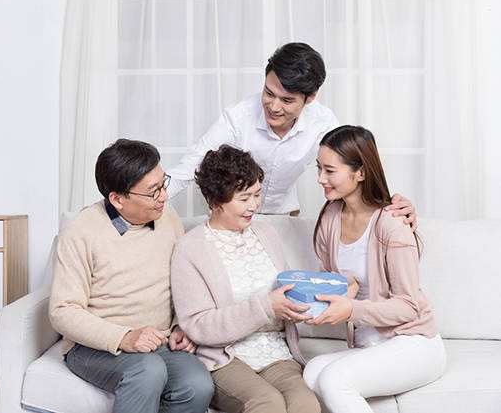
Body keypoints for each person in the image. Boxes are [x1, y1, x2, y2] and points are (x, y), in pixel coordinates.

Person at [167, 42, 417, 224]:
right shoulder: (237, 118)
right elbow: (187, 168)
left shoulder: (323, 123)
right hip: (231, 218)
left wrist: (392, 207)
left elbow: (353, 169)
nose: (274, 107)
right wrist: (150, 198)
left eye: (287, 100)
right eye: (269, 93)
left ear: (310, 98)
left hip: (285, 216)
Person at [49, 139, 214, 413]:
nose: (163, 196)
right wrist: (124, 337)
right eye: (153, 191)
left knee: (198, 384)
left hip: (159, 342)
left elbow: (185, 281)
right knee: (147, 371)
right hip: (95, 347)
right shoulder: (80, 232)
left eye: (163, 184)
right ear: (117, 199)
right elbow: (62, 311)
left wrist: (180, 326)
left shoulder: (168, 217)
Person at [302, 125, 446, 413]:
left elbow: (408, 307)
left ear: (360, 172)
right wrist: (327, 294)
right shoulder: (331, 216)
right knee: (311, 373)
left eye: (330, 171)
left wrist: (351, 309)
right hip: (368, 345)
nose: (320, 179)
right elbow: (333, 283)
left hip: (413, 342)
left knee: (334, 380)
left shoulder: (392, 223)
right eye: (319, 168)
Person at [171, 144, 320, 413]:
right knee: (267, 404)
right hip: (225, 357)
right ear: (215, 201)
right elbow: (198, 324)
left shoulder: (266, 232)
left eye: (257, 194)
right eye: (244, 198)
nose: (254, 205)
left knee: (306, 405)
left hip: (277, 353)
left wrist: (299, 307)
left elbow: (286, 290)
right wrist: (266, 306)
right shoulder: (190, 248)